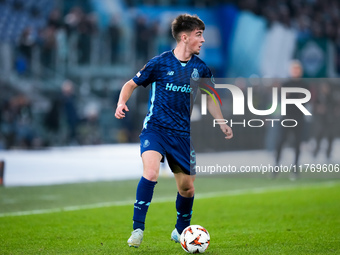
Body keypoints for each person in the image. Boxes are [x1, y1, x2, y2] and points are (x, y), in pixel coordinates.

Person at [115, 14, 233, 248]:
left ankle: (180, 231)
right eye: (199, 35)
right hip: (155, 130)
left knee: (187, 188)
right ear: (184, 37)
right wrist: (121, 103)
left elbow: (211, 99)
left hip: (182, 136)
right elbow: (130, 84)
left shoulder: (201, 69)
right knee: (150, 173)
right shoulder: (159, 63)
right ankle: (137, 229)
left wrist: (221, 121)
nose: (203, 40)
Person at [275, 60, 307, 180]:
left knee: (297, 143)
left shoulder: (304, 84)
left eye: (297, 69)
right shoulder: (286, 83)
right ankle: (276, 167)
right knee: (280, 141)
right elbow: (283, 98)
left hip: (299, 117)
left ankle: (295, 169)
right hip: (286, 116)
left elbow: (304, 100)